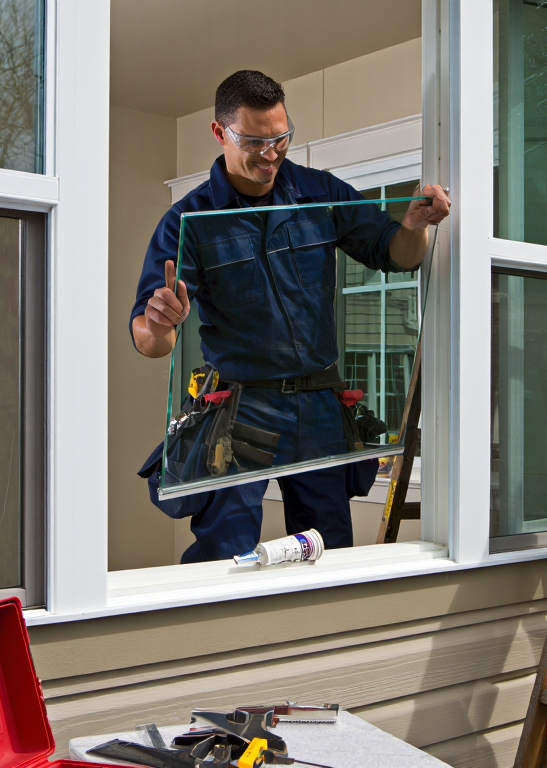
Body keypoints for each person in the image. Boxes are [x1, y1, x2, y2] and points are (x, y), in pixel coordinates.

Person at [131, 70, 449, 563]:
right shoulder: (188, 220)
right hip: (239, 409)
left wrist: (411, 227)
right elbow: (150, 339)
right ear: (220, 133)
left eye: (281, 138)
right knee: (225, 555)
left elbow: (397, 254)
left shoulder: (320, 193)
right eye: (255, 141)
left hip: (319, 406)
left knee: (328, 552)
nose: (271, 152)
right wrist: (160, 322)